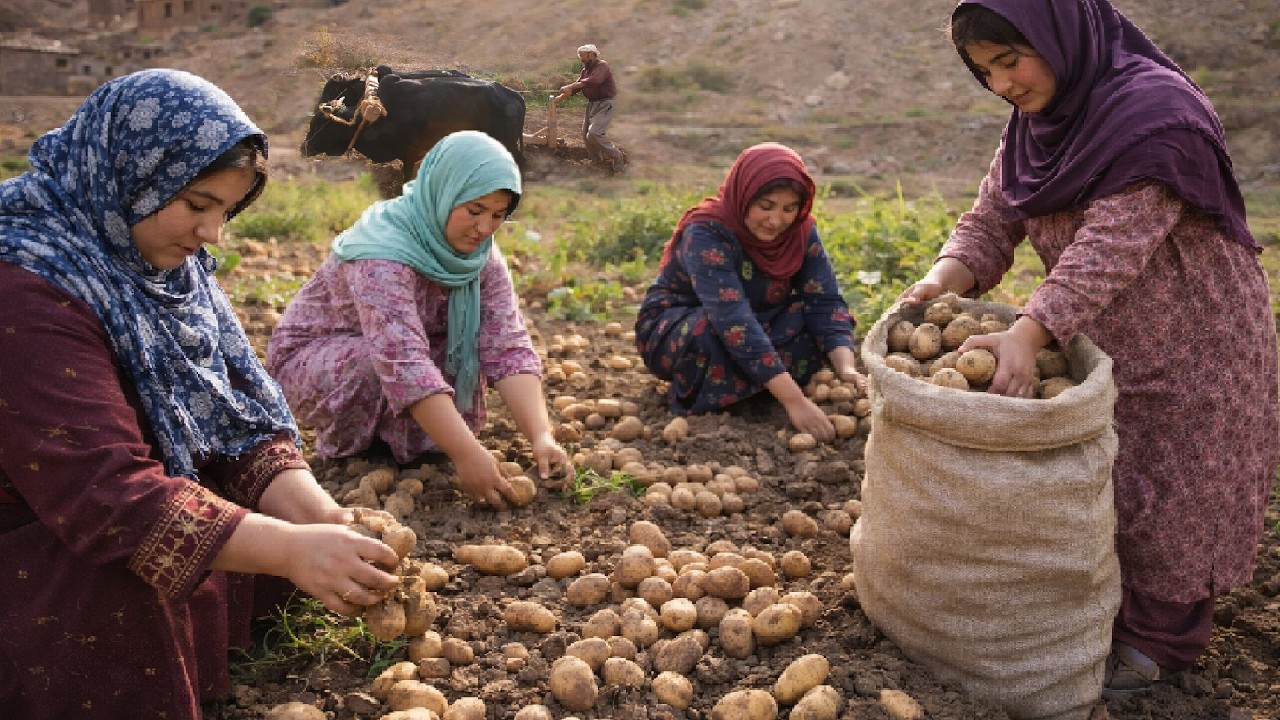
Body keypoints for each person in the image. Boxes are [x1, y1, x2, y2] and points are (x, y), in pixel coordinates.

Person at [901, 0, 1280, 697]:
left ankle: (1160, 645)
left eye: (1010, 60)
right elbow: (991, 218)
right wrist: (939, 281)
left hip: (1200, 344)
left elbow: (1110, 246)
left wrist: (1028, 328)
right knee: (1112, 487)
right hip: (1106, 338)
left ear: (1058, 35)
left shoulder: (1154, 115)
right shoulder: (1036, 129)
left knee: (1177, 498)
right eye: (984, 71)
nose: (1002, 85)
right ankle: (1110, 618)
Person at [0, 69, 402, 719]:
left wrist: (318, 520)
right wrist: (288, 549)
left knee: (244, 501)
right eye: (196, 204)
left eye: (227, 209)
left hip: (116, 477)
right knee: (127, 563)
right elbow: (107, 495)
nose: (214, 235)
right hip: (39, 514)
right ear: (129, 176)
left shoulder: (162, 261)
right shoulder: (22, 284)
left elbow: (234, 413)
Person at [267, 130, 572, 509]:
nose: (484, 228)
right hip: (317, 360)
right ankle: (359, 452)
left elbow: (506, 344)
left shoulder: (478, 257)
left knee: (459, 355)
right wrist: (466, 454)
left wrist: (541, 436)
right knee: (373, 366)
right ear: (442, 193)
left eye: (497, 215)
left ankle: (413, 443)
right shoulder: (382, 254)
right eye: (474, 211)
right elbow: (402, 362)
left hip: (402, 355)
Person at [635, 142, 866, 442]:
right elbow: (733, 321)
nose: (776, 221)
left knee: (812, 324)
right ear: (744, 197)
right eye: (765, 206)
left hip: (760, 319)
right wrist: (794, 401)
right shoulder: (707, 232)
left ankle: (758, 387)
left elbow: (824, 301)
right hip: (683, 327)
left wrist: (846, 370)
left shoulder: (801, 232)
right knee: (711, 333)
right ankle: (754, 392)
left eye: (789, 209)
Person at [552, 43, 627, 173]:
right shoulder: (585, 71)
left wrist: (569, 86)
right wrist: (558, 99)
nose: (581, 59)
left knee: (594, 133)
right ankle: (598, 162)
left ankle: (617, 156)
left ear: (591, 54)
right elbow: (576, 88)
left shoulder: (602, 66)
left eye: (583, 56)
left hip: (605, 104)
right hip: (592, 104)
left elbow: (594, 81)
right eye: (580, 56)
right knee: (586, 135)